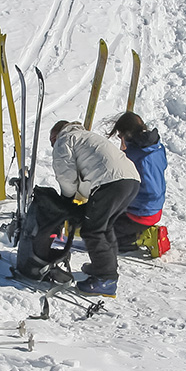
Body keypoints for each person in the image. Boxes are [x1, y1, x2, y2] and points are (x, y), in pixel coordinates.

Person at [50, 120, 140, 297]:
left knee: (92, 230)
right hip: (131, 180)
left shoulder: (64, 140)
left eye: (51, 141)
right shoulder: (86, 136)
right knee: (104, 227)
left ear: (55, 135)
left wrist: (65, 200)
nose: (52, 145)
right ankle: (105, 267)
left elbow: (66, 176)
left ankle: (106, 278)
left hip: (111, 182)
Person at [108, 112, 168, 254]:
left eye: (120, 135)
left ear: (127, 134)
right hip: (156, 207)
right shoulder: (157, 147)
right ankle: (138, 232)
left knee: (105, 232)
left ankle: (140, 238)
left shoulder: (133, 156)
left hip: (141, 212)